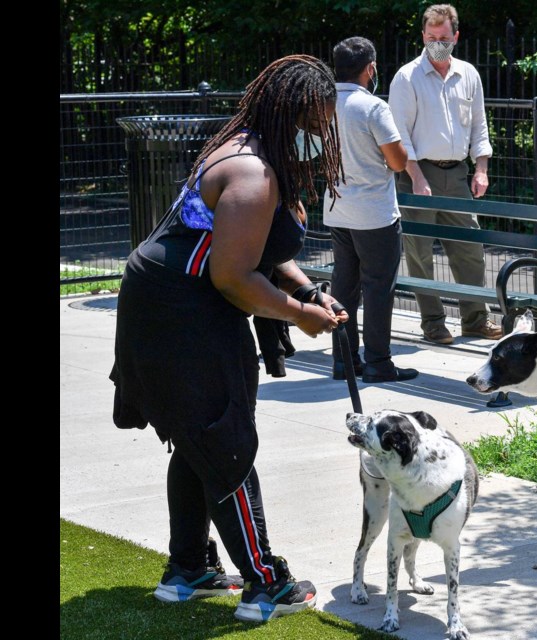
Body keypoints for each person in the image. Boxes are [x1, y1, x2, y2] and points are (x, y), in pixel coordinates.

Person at [110, 54, 347, 623]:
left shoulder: (246, 144)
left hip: (169, 301)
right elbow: (233, 276)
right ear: (290, 114)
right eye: (315, 120)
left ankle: (188, 569)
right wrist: (298, 315)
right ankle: (266, 583)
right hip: (182, 311)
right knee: (224, 440)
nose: (321, 133)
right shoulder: (253, 173)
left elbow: (254, 251)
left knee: (198, 438)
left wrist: (309, 291)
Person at [389, 3, 502, 344]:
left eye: (444, 37)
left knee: (470, 250)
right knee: (420, 253)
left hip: (457, 175)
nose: (438, 42)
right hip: (416, 173)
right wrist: (418, 178)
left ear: (456, 36)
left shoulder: (469, 74)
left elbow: (480, 126)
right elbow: (399, 134)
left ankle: (475, 320)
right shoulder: (407, 77)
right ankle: (433, 323)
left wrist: (481, 169)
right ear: (423, 36)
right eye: (431, 37)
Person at [325, 37, 418, 384]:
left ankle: (343, 360)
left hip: (337, 209)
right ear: (370, 68)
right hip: (375, 214)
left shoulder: (324, 105)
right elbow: (397, 161)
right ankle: (379, 362)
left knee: (344, 287)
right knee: (378, 287)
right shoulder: (373, 107)